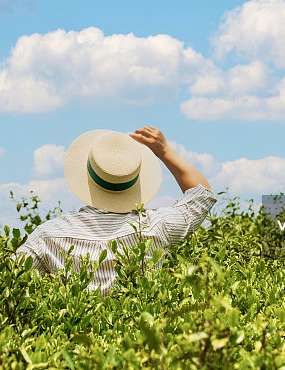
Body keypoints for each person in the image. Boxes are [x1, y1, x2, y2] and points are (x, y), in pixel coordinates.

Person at [13, 126, 217, 294]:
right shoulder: (156, 226)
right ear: (136, 180)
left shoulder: (48, 235)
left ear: (87, 177)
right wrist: (164, 151)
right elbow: (202, 195)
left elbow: (9, 281)